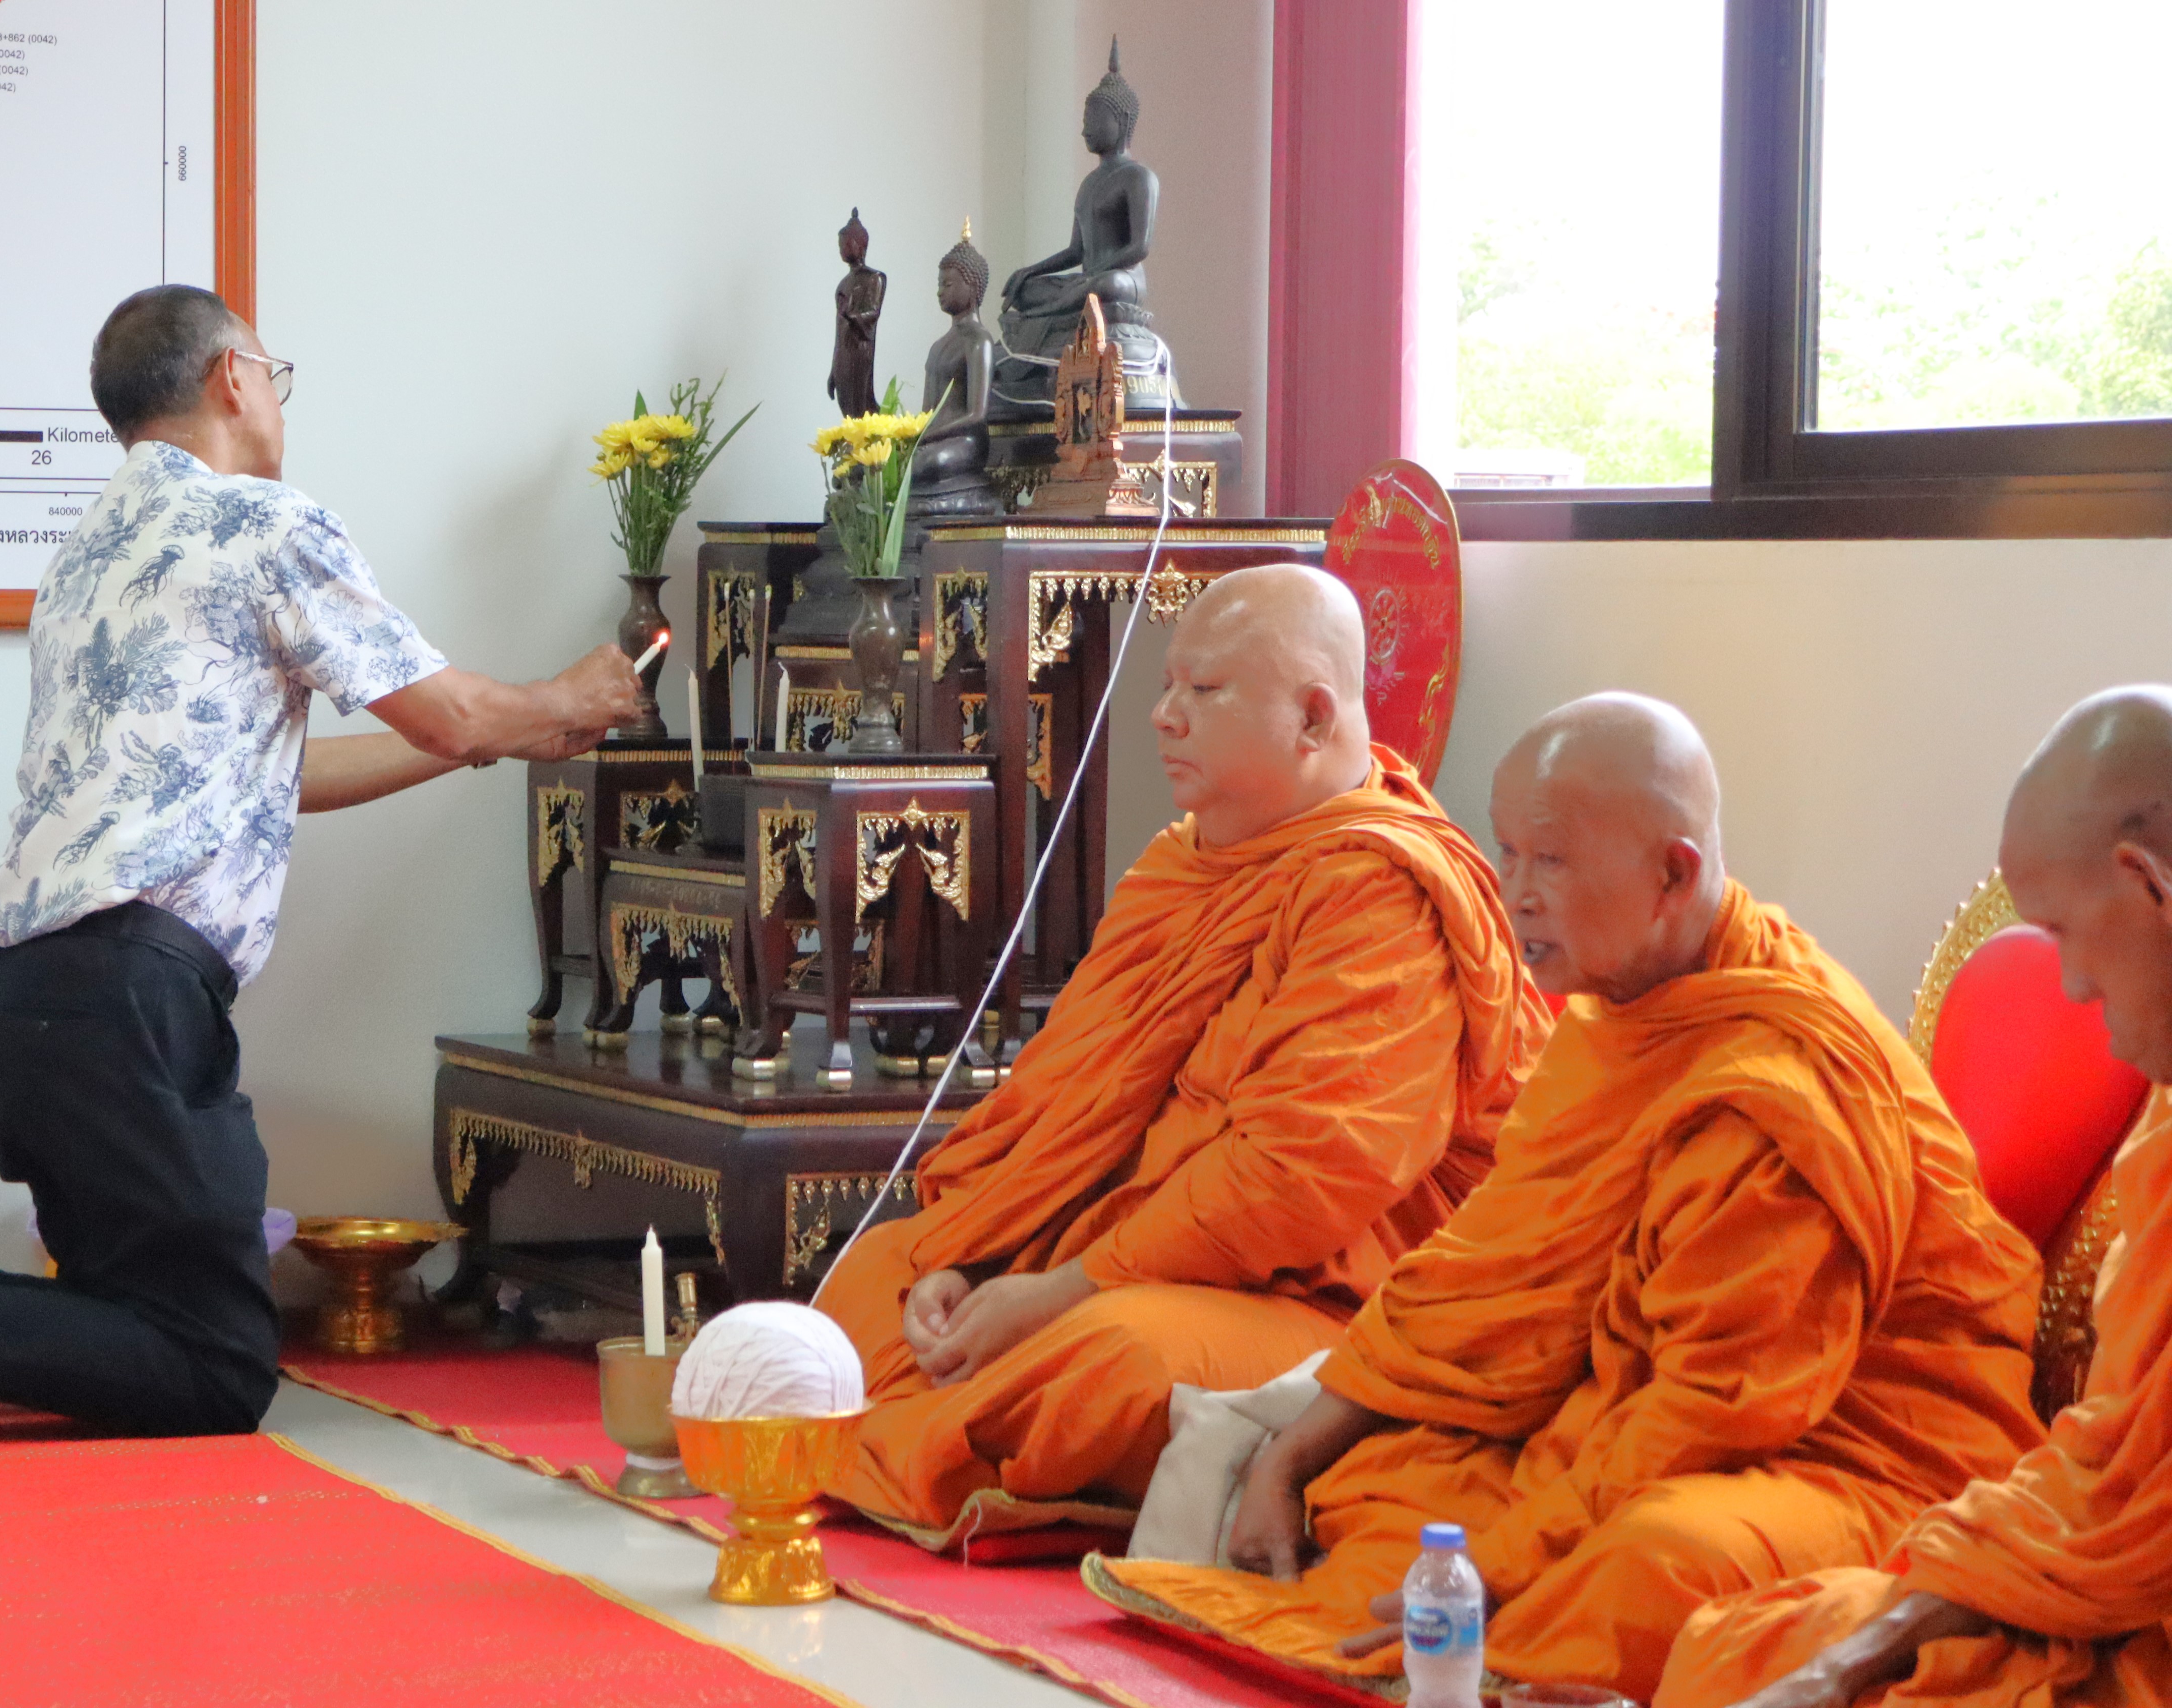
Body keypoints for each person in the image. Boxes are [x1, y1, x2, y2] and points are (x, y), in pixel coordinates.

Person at [0, 284, 643, 1458]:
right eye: (276, 376)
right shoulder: (261, 524)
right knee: (213, 1365)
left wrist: (485, 740)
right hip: (130, 997)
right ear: (233, 377)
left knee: (143, 1331)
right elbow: (455, 709)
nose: (279, 402)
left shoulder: (90, 556)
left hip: (24, 996)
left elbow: (265, 773)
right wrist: (561, 700)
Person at [1092, 696, 2046, 1703]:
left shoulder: (1776, 1090)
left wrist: (1500, 1567)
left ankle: (1485, 1654)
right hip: (1628, 1413)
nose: (1515, 894)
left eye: (1550, 861)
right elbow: (1478, 1275)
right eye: (1507, 853)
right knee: (1384, 1474)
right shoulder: (1619, 1012)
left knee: (1654, 1560)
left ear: (1673, 874)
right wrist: (1291, 1453)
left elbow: (1714, 1408)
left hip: (1855, 1458)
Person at [809, 564, 1551, 1545]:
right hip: (1114, 1262)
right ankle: (944, 1431)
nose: (1164, 716)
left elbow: (1302, 1176)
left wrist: (1061, 1291)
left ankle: (922, 1445)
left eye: (1203, 690)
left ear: (1313, 718)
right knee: (873, 1280)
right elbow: (1061, 1107)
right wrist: (976, 1258)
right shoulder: (1177, 863)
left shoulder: (1382, 892)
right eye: (1167, 686)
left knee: (1111, 1361)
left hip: (1316, 1303)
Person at [1655, 687, 2172, 1708]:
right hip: (2090, 1574)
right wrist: (1857, 1649)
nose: (2071, 987)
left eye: (2065, 932)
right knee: (1734, 1649)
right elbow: (2111, 1469)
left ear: (2145, 881)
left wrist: (1860, 1661)